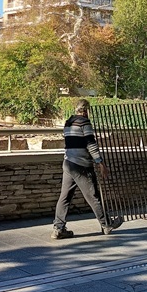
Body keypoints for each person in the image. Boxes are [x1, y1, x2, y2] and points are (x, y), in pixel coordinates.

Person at [52, 99, 124, 239]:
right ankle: (106, 224)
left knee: (65, 197)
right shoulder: (85, 123)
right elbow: (91, 144)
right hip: (81, 165)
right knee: (93, 195)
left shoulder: (68, 123)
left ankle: (58, 228)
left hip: (68, 163)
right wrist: (100, 163)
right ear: (86, 111)